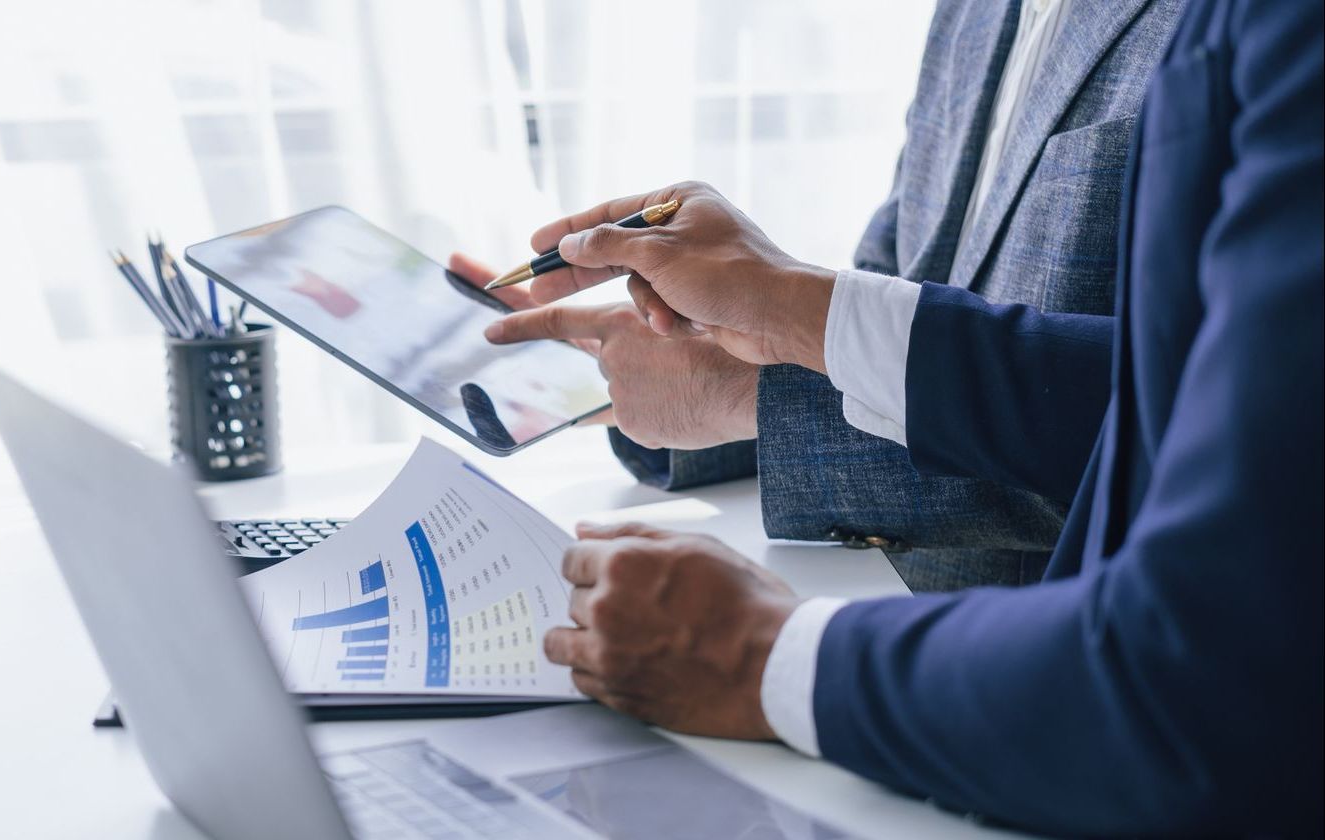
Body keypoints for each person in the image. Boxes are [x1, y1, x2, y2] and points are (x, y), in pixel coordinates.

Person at [483, 0, 1324, 834]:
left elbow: (1169, 432)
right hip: (945, 717)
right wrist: (728, 354)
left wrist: (763, 652)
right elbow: (900, 287)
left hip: (1045, 721)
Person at [457, 0, 1183, 592]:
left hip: (1072, 674)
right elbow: (899, 296)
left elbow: (1192, 427)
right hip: (866, 609)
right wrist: (690, 353)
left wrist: (751, 392)